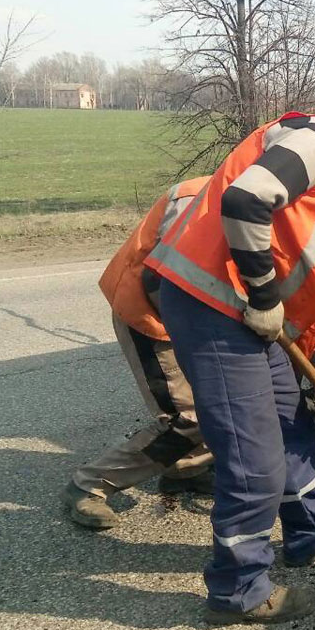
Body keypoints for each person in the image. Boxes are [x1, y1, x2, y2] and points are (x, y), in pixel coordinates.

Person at [144, 100, 315, 625]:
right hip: (216, 309)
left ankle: (309, 532)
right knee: (254, 457)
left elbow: (297, 291)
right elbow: (246, 199)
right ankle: (239, 589)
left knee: (292, 422)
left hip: (250, 313)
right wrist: (260, 295)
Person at [63, 177, 216, 529]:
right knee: (188, 416)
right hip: (151, 314)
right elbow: (161, 280)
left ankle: (185, 470)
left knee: (216, 400)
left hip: (200, 318)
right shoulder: (199, 196)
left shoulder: (282, 200)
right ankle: (89, 485)